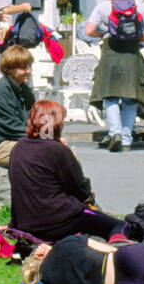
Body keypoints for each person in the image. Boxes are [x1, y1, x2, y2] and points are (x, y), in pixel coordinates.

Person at [9, 100, 125, 242]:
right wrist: (67, 151)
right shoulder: (57, 150)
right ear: (56, 124)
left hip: (26, 222)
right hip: (56, 221)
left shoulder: (18, 147)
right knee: (119, 225)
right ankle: (118, 246)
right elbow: (81, 190)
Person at [84, 0, 144, 152]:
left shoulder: (103, 6)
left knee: (111, 96)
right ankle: (127, 139)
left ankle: (115, 133)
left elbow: (89, 30)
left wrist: (104, 33)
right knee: (130, 99)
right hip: (131, 54)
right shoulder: (139, 9)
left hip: (110, 52)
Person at [0, 45, 36, 168]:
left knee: (62, 153)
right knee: (46, 155)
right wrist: (43, 140)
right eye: (23, 68)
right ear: (9, 69)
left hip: (19, 140)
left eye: (29, 66)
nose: (29, 71)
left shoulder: (24, 90)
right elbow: (12, 128)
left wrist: (51, 137)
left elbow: (35, 119)